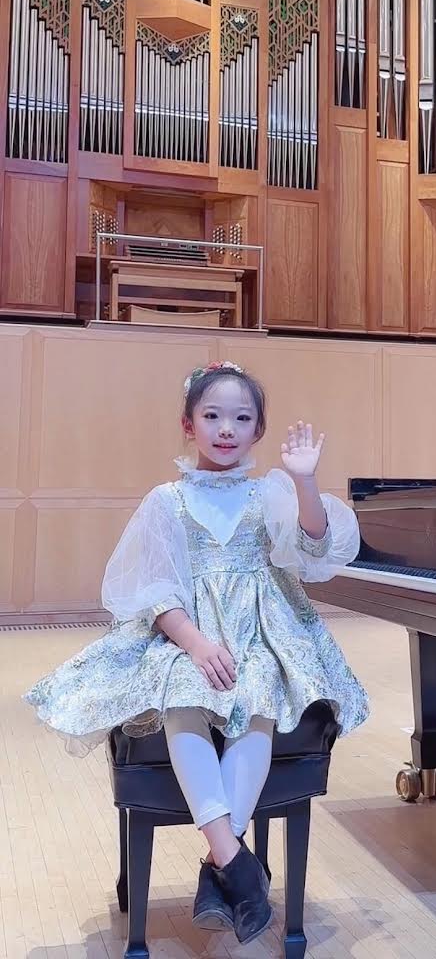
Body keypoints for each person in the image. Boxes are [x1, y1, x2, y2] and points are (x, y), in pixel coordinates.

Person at [24, 360, 369, 944]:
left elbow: (315, 545)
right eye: (212, 416)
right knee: (184, 692)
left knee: (259, 693)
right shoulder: (167, 500)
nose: (226, 428)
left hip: (263, 631)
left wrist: (306, 479)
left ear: (259, 430)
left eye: (241, 418)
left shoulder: (272, 492)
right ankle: (237, 864)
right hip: (190, 632)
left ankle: (222, 864)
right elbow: (154, 591)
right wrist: (196, 641)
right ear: (189, 424)